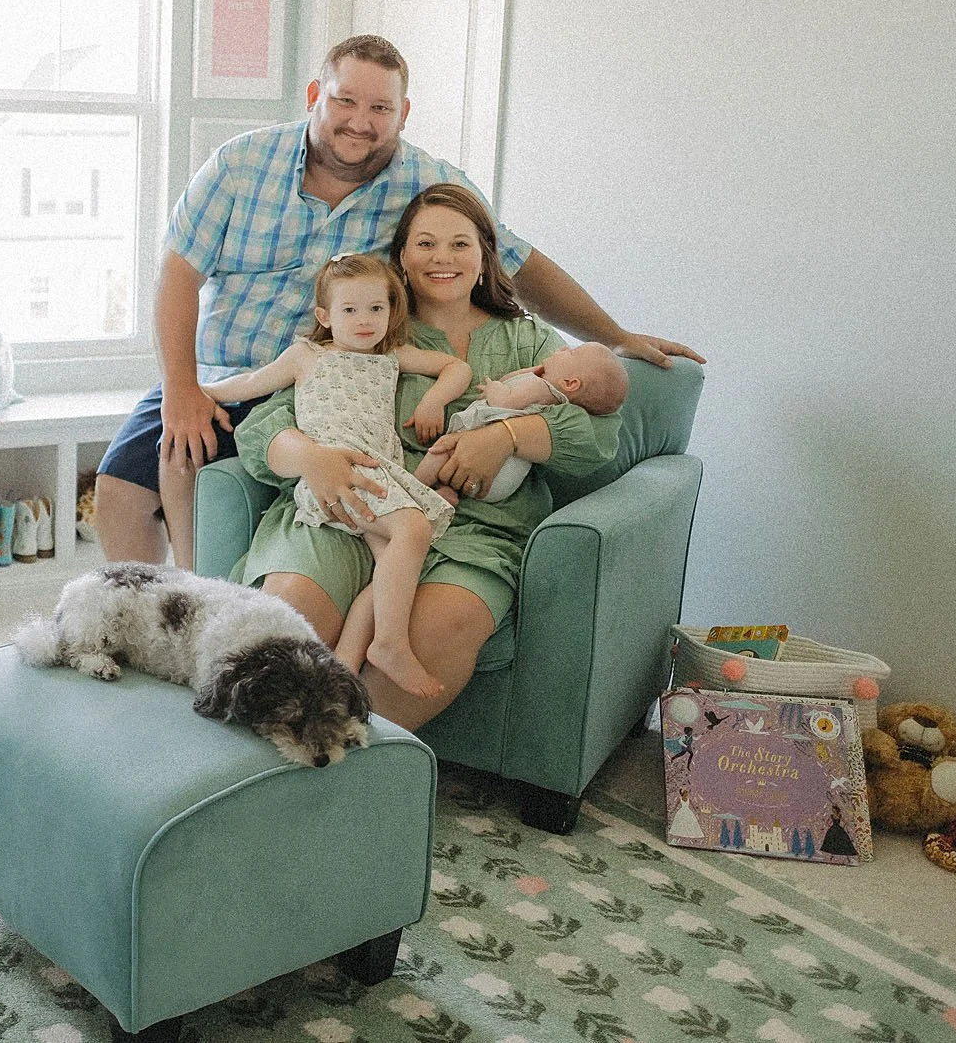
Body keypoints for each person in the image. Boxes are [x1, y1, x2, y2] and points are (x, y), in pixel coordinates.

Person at [93, 33, 701, 571]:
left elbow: (514, 261)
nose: (360, 122)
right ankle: (143, 614)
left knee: (219, 487)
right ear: (315, 95)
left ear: (403, 113)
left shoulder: (428, 184)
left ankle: (207, 604)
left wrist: (613, 335)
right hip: (225, 374)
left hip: (327, 385)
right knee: (122, 487)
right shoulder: (239, 164)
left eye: (380, 107)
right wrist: (180, 388)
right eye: (345, 101)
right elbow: (177, 277)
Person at [233, 182, 636, 729]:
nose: (442, 258)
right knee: (291, 611)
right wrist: (309, 457)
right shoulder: (371, 322)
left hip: (477, 527)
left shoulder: (530, 342)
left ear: (485, 256)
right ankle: (252, 768)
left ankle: (343, 770)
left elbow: (597, 437)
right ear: (402, 257)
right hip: (357, 501)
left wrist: (507, 435)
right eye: (425, 243)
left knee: (441, 628)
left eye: (460, 244)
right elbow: (267, 424)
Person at [198, 251, 471, 697]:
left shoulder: (391, 356)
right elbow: (249, 385)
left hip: (380, 473)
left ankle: (347, 660)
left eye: (376, 309)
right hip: (337, 473)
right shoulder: (306, 356)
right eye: (349, 310)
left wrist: (433, 401)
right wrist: (196, 391)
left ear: (390, 311)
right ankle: (390, 643)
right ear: (325, 316)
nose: (364, 320)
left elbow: (457, 368)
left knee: (390, 570)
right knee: (413, 529)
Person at [412, 342, 628, 504]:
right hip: (503, 482)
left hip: (489, 467)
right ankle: (446, 492)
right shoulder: (553, 398)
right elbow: (513, 379)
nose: (562, 347)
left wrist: (492, 388)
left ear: (571, 383)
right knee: (448, 463)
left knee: (439, 451)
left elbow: (505, 399)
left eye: (570, 352)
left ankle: (413, 489)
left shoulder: (540, 388)